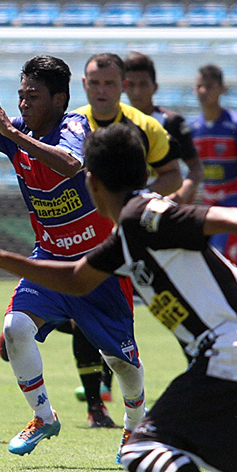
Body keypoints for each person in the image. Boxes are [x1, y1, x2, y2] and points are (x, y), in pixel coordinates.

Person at [0, 122, 237, 472]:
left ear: (91, 182)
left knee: (141, 450)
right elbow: (76, 279)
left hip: (227, 350)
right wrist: (1, 259)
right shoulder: (127, 232)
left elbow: (223, 219)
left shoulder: (147, 215)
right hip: (220, 355)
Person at [0, 55, 146, 459]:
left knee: (121, 362)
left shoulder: (74, 125)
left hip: (98, 264)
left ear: (59, 99)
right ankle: (44, 416)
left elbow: (71, 164)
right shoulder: (16, 130)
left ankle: (135, 426)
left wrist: (12, 135)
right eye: (21, 96)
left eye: (32, 96)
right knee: (15, 328)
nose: (23, 104)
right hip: (49, 258)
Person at [59, 52, 185, 426]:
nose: (101, 90)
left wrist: (131, 203)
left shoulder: (145, 126)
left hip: (127, 234)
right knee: (85, 305)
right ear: (83, 85)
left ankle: (46, 318)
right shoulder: (71, 125)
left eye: (110, 83)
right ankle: (95, 405)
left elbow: (173, 176)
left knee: (125, 313)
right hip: (79, 234)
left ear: (123, 86)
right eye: (94, 83)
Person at [125, 51, 203, 205]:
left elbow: (196, 168)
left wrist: (180, 195)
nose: (137, 91)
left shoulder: (172, 122)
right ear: (123, 87)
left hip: (166, 206)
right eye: (131, 85)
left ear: (154, 87)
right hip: (131, 206)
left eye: (143, 84)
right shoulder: (116, 123)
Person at [191, 63, 237, 266]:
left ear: (222, 89)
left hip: (234, 205)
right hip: (208, 207)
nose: (203, 91)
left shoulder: (235, 126)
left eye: (209, 86)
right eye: (199, 86)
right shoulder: (192, 128)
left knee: (229, 261)